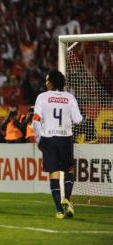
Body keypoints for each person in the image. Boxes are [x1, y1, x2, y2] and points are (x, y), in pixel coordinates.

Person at [33, 70, 82, 219]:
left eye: (47, 80)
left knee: (53, 173)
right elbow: (78, 119)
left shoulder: (42, 97)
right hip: (65, 138)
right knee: (69, 170)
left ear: (52, 82)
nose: (46, 83)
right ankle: (66, 197)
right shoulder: (70, 98)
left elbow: (35, 119)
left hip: (49, 138)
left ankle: (59, 211)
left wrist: (39, 138)